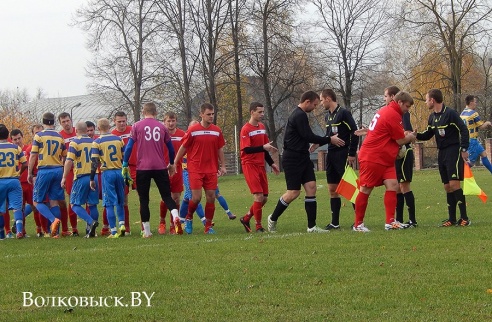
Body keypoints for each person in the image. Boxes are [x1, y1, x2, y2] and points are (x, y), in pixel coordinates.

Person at [267, 91, 344, 233]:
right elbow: (308, 135)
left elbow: (307, 136)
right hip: (292, 158)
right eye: (314, 104)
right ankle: (272, 218)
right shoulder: (299, 115)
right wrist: (329, 139)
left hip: (303, 157)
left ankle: (311, 227)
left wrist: (316, 143)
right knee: (293, 193)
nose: (315, 108)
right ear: (307, 102)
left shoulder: (302, 115)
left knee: (311, 187)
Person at [352, 91, 416, 232]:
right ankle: (358, 224)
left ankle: (390, 222)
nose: (407, 109)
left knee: (393, 185)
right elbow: (400, 140)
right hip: (373, 157)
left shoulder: (386, 110)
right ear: (399, 102)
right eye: (406, 106)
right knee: (366, 189)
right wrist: (410, 137)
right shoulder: (393, 114)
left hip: (384, 157)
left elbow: (390, 135)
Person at [122, 102, 180, 238]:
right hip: (160, 166)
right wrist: (171, 163)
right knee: (166, 196)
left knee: (144, 200)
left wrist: (125, 163)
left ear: (143, 112)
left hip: (143, 167)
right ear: (156, 113)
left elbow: (129, 147)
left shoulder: (136, 126)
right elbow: (171, 149)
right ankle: (176, 216)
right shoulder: (162, 127)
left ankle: (147, 232)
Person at [416, 89, 471, 227]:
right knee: (447, 186)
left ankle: (464, 218)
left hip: (453, 151)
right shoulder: (432, 117)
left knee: (454, 184)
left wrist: (464, 149)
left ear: (433, 100)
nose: (426, 102)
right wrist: (414, 135)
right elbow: (428, 134)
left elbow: (463, 130)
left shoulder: (450, 114)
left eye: (427, 99)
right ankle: (451, 219)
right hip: (442, 153)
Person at [174, 103, 227, 234]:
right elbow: (184, 147)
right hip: (195, 169)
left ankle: (208, 226)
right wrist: (175, 162)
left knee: (211, 197)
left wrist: (223, 165)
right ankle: (189, 217)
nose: (211, 116)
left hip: (211, 169)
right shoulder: (193, 130)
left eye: (212, 114)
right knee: (196, 198)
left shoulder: (217, 130)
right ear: (201, 114)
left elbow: (220, 149)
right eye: (208, 114)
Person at [309, 89, 359, 230]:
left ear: (328, 98)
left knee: (350, 189)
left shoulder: (343, 113)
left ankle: (359, 221)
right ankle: (335, 223)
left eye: (322, 100)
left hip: (342, 155)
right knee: (332, 189)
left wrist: (352, 153)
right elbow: (329, 135)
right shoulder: (327, 116)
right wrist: (318, 143)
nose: (321, 103)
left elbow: (354, 133)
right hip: (331, 155)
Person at [239, 102, 280, 233]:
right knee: (258, 196)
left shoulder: (262, 127)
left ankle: (246, 218)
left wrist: (271, 163)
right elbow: (247, 150)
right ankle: (258, 226)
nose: (262, 114)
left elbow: (265, 148)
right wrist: (263, 147)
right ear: (252, 112)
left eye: (263, 112)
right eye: (259, 112)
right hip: (249, 165)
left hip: (260, 165)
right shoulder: (245, 129)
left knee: (265, 198)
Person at [28, 112, 67, 238]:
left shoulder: (39, 136)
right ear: (54, 122)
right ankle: (55, 233)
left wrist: (29, 172)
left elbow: (33, 155)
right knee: (54, 201)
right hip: (58, 170)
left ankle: (53, 220)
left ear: (43, 122)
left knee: (36, 201)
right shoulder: (60, 136)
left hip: (45, 170)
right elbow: (65, 156)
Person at [383, 86, 417, 228]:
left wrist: (406, 135)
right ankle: (399, 220)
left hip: (404, 153)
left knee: (404, 185)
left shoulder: (403, 113)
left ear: (393, 97)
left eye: (385, 96)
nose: (384, 99)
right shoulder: (389, 113)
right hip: (395, 154)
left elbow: (407, 131)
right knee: (397, 187)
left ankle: (412, 220)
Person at [61, 122, 99, 238]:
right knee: (92, 205)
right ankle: (91, 231)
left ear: (76, 130)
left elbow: (69, 161)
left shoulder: (75, 142)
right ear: (87, 130)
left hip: (82, 176)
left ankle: (91, 222)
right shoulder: (94, 142)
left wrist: (64, 177)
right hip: (94, 176)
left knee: (74, 204)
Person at [91, 118, 126, 238]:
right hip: (119, 171)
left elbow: (95, 162)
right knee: (121, 201)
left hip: (107, 173)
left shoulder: (97, 142)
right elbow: (124, 156)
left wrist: (92, 178)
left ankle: (114, 231)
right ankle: (122, 224)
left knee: (109, 203)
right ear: (110, 126)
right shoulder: (119, 139)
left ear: (98, 128)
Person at [10, 128, 44, 237]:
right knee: (20, 207)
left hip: (30, 182)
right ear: (11, 140)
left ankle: (39, 229)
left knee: (35, 206)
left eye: (19, 138)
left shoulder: (28, 149)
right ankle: (22, 231)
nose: (17, 141)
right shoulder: (11, 151)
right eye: (15, 139)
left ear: (22, 137)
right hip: (17, 184)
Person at [108, 111, 136, 236]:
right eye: (119, 121)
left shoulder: (133, 130)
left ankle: (144, 226)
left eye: (124, 121)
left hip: (136, 167)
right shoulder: (112, 135)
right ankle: (126, 227)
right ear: (114, 121)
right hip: (120, 169)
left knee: (143, 196)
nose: (122, 124)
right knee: (123, 198)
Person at [158, 111, 186, 234]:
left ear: (176, 121)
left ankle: (173, 224)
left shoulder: (182, 134)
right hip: (163, 170)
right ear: (164, 122)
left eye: (173, 120)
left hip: (177, 170)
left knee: (176, 198)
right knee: (165, 197)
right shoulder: (160, 134)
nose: (171, 123)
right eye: (168, 121)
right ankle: (162, 221)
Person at [0, 125, 27, 239]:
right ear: (8, 135)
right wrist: (18, 174)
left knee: (1, 209)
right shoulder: (16, 148)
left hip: (1, 181)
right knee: (17, 207)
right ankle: (19, 231)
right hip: (14, 180)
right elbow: (25, 163)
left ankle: (2, 235)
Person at [58, 112, 78, 236]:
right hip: (70, 171)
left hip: (83, 170)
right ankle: (74, 228)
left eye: (67, 120)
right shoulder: (60, 136)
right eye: (63, 122)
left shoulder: (79, 131)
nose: (66, 123)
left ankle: (89, 226)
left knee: (88, 198)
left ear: (71, 120)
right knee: (72, 199)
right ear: (60, 123)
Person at [460, 95, 492, 173]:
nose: (476, 104)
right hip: (472, 140)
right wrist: (487, 123)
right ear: (471, 103)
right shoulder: (473, 113)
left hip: (469, 139)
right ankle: (457, 174)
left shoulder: (462, 113)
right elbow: (481, 126)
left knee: (484, 155)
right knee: (470, 163)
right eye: (475, 102)